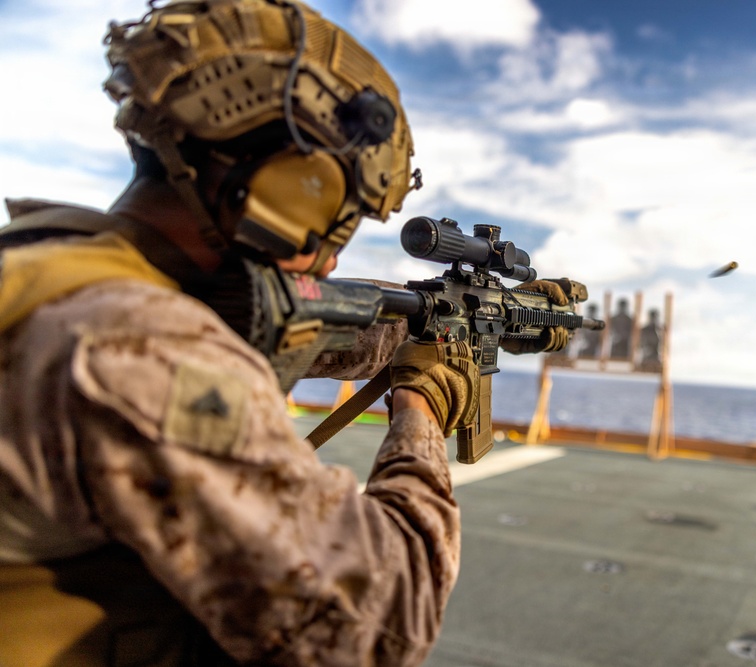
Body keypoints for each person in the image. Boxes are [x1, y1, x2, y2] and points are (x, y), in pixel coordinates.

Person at [0, 2, 490, 664]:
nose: (334, 258)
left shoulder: (53, 260)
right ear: (297, 188)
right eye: (339, 219)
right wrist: (422, 408)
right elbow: (376, 623)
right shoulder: (137, 339)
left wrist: (415, 323)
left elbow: (282, 321)